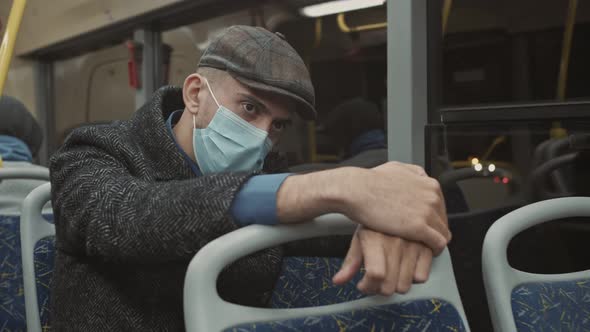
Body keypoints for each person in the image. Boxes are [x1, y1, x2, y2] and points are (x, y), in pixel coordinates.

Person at [49, 26, 450, 330]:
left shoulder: (268, 171)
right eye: (249, 108)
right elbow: (123, 217)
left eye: (278, 125)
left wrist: (378, 219)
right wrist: (337, 186)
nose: (262, 135)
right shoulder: (95, 151)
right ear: (194, 95)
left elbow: (326, 230)